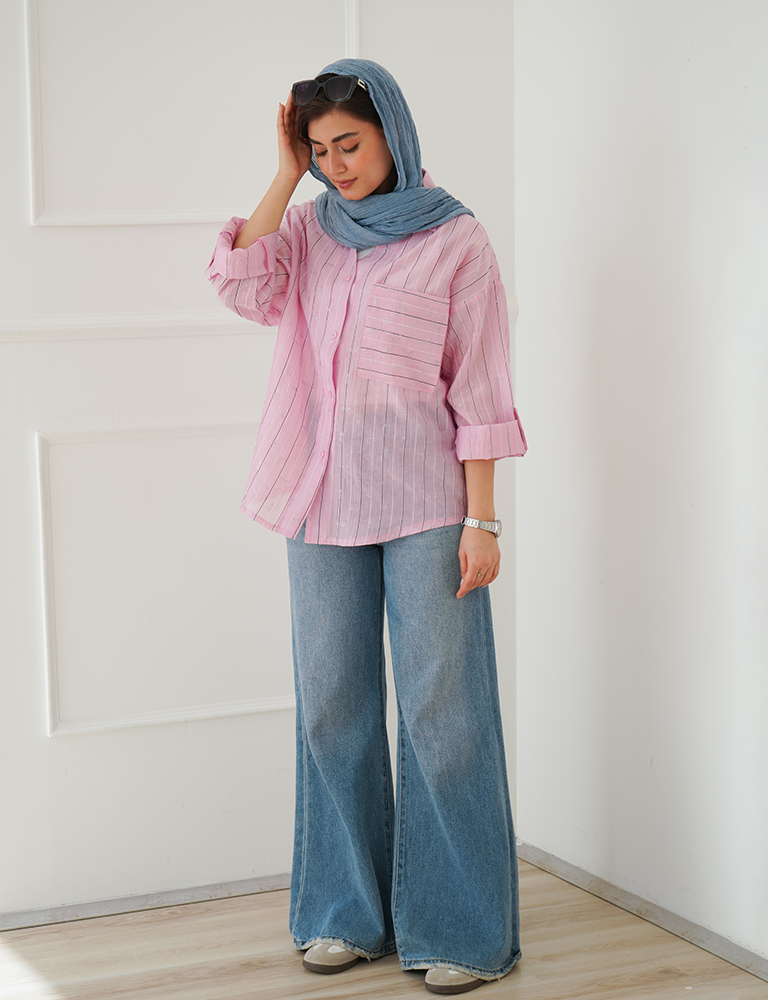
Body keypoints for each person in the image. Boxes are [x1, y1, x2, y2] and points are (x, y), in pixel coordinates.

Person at [207, 58, 526, 996]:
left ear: (393, 129)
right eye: (319, 151)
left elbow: (480, 390)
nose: (336, 165)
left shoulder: (457, 240)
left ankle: (460, 930)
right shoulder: (310, 230)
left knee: (442, 715)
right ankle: (345, 913)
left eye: (348, 143)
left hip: (428, 508)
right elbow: (239, 285)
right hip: (317, 501)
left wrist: (483, 521)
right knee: (332, 705)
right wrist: (283, 177)